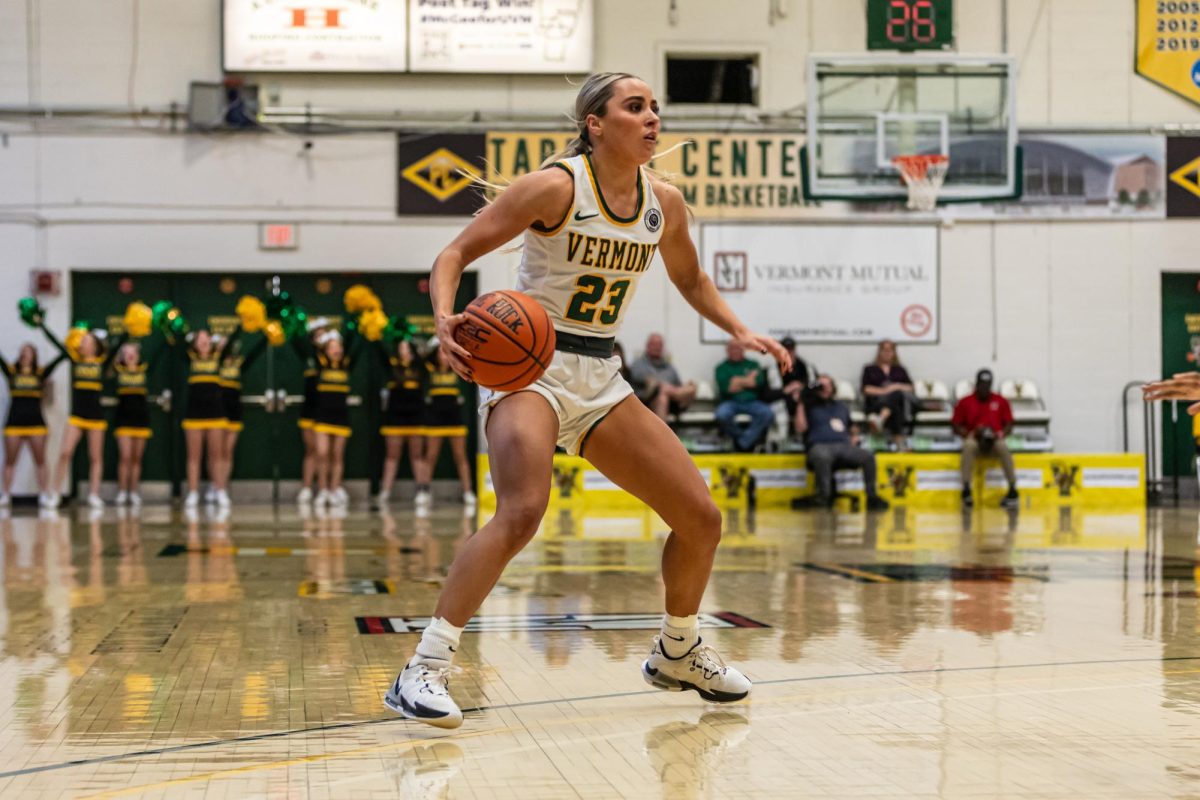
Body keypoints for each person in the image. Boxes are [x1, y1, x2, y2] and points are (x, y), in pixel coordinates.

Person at [382, 72, 789, 730]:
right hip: (528, 368)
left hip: (600, 370)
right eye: (636, 107)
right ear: (596, 124)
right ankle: (422, 668)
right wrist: (442, 318)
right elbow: (454, 252)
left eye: (656, 108)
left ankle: (678, 650)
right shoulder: (556, 186)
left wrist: (739, 329)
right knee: (522, 511)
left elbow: (690, 276)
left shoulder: (666, 203)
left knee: (701, 517)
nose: (652, 117)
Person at [41, 322, 114, 508]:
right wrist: (42, 325)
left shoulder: (102, 362)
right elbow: (58, 344)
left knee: (96, 457)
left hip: (96, 416)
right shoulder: (75, 360)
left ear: (95, 346)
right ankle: (55, 493)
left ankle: (93, 494)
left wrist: (130, 331)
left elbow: (119, 345)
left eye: (87, 341)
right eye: (82, 340)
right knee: (65, 452)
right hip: (77, 415)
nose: (83, 343)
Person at [795, 375, 889, 511]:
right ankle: (823, 497)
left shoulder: (841, 406)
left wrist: (855, 435)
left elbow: (851, 427)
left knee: (868, 456)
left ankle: (872, 497)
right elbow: (800, 428)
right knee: (822, 457)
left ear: (833, 388)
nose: (825, 388)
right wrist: (801, 402)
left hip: (843, 445)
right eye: (821, 385)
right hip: (820, 445)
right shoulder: (809, 405)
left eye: (828, 385)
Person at [0, 341, 67, 507]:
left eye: (29, 351)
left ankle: (44, 493)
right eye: (23, 351)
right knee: (9, 460)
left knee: (40, 460)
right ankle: (6, 494)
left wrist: (67, 345)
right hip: (14, 422)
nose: (26, 354)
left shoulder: (40, 373)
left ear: (34, 355)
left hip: (36, 422)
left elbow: (61, 358)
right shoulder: (11, 371)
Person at [179, 328, 236, 509]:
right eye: (199, 338)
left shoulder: (218, 358)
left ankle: (220, 491)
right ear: (194, 344)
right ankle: (193, 492)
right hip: (194, 414)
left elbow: (234, 339)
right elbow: (178, 339)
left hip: (215, 413)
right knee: (194, 456)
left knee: (216, 455)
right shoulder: (191, 358)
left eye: (206, 338)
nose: (203, 341)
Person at [419, 341, 474, 511]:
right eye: (441, 352)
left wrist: (450, 348)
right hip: (435, 419)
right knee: (430, 456)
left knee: (460, 456)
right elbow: (421, 357)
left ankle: (467, 492)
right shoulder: (430, 369)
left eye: (446, 352)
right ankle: (424, 491)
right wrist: (437, 340)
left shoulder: (458, 370)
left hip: (455, 419)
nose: (443, 355)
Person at [952, 368, 1018, 508]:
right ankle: (966, 490)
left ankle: (1012, 489)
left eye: (987, 385)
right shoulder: (965, 402)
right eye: (982, 385)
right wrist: (967, 433)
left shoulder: (1000, 401)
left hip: (994, 439)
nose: (984, 388)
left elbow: (1009, 423)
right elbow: (956, 424)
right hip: (975, 438)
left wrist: (1001, 433)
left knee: (1003, 446)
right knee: (969, 445)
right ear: (976, 384)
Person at [110, 337, 164, 506]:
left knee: (136, 458)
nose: (129, 355)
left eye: (132, 352)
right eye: (126, 352)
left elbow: (157, 355)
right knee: (125, 457)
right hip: (123, 418)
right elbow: (107, 361)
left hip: (141, 418)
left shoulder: (144, 369)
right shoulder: (117, 369)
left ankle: (133, 491)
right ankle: (122, 491)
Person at [312, 328, 360, 508]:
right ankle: (323, 489)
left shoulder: (346, 365)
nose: (336, 350)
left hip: (341, 417)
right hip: (323, 416)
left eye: (338, 346)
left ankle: (334, 489)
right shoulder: (320, 365)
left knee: (337, 455)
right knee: (322, 453)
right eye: (332, 347)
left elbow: (357, 344)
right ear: (325, 350)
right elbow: (308, 349)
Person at [376, 338, 426, 508]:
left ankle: (422, 491)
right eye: (401, 348)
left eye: (407, 348)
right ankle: (385, 491)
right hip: (394, 420)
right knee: (392, 457)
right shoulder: (392, 367)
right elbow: (381, 350)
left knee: (417, 456)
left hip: (416, 419)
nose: (404, 351)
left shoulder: (419, 367)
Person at [217, 334, 267, 499]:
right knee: (217, 452)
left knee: (228, 451)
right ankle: (215, 485)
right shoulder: (213, 364)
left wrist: (266, 334)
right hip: (217, 410)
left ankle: (223, 487)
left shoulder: (239, 363)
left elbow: (254, 353)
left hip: (234, 410)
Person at [714, 341, 774, 452]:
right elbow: (727, 389)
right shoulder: (721, 367)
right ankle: (746, 441)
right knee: (721, 414)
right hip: (731, 401)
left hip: (752, 401)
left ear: (743, 350)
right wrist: (747, 380)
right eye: (732, 349)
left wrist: (736, 381)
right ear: (727, 351)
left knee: (767, 413)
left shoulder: (753, 364)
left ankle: (742, 443)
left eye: (737, 348)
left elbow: (757, 383)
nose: (735, 351)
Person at [861, 339, 915, 450]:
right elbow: (866, 389)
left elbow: (910, 387)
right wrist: (885, 391)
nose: (887, 353)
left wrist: (895, 386)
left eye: (890, 350)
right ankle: (899, 441)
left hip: (894, 404)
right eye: (884, 350)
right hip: (875, 403)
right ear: (879, 352)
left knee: (897, 397)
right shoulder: (870, 369)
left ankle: (881, 419)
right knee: (896, 402)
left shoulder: (900, 369)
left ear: (894, 352)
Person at [629, 333, 696, 422]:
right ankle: (662, 435)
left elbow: (678, 383)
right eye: (654, 344)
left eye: (660, 345)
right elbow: (638, 377)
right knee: (662, 395)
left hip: (673, 402)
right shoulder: (638, 364)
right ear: (647, 346)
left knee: (692, 386)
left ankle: (674, 392)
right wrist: (662, 385)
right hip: (647, 402)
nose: (657, 347)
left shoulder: (669, 366)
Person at [292, 322, 324, 504]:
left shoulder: (333, 356)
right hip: (310, 410)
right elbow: (297, 340)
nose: (321, 338)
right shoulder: (309, 356)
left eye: (324, 335)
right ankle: (306, 487)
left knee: (324, 452)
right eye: (317, 335)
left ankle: (324, 487)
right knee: (311, 450)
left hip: (326, 410)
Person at [775, 337, 812, 436]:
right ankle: (782, 442)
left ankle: (806, 438)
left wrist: (801, 389)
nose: (788, 353)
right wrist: (786, 391)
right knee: (780, 414)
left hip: (802, 400)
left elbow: (814, 385)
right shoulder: (772, 368)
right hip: (781, 401)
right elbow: (766, 394)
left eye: (790, 350)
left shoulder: (805, 366)